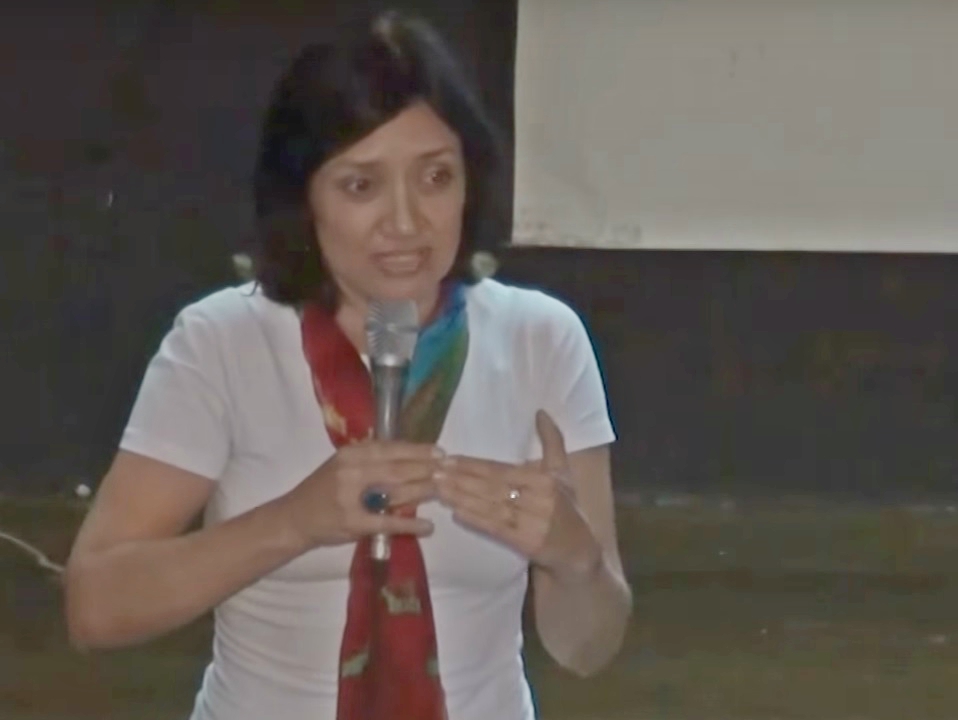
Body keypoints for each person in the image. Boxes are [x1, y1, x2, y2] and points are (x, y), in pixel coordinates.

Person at [63, 10, 631, 720]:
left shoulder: (541, 340)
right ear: (303, 198)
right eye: (361, 186)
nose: (406, 222)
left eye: (436, 177)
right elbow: (95, 607)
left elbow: (588, 648)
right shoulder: (223, 341)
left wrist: (573, 559)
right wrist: (293, 522)